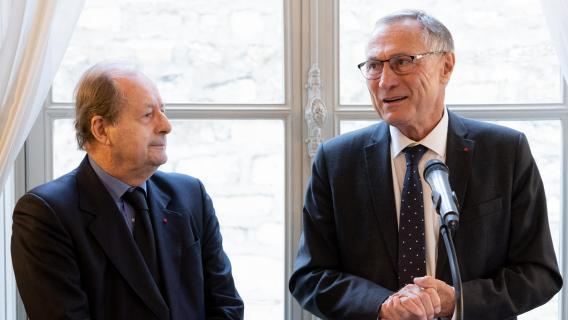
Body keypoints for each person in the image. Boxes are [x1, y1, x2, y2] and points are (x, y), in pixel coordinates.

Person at [289, 9, 562, 320]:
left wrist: (458, 301)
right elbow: (310, 276)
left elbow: (539, 274)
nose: (385, 81)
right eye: (374, 66)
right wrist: (382, 305)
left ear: (446, 66)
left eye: (402, 62)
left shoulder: (506, 151)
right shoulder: (337, 160)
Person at [11, 63, 244, 319]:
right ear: (101, 129)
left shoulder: (191, 195)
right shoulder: (44, 215)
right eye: (148, 115)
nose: (166, 125)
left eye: (163, 112)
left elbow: (227, 306)